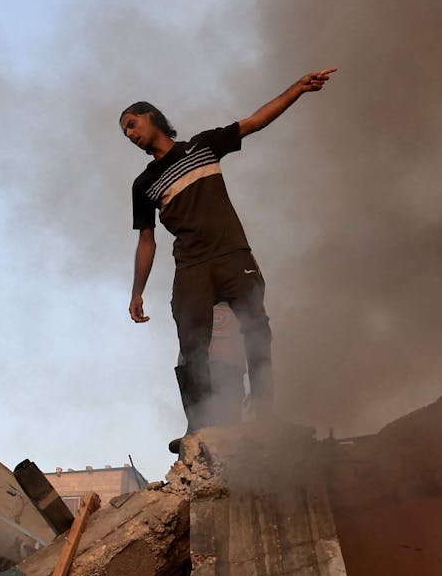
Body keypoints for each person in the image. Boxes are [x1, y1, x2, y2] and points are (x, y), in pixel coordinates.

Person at [120, 68, 336, 452]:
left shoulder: (203, 146)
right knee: (192, 344)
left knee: (256, 329)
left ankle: (265, 416)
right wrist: (137, 292)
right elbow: (147, 240)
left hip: (234, 255)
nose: (130, 135)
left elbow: (255, 120)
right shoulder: (144, 184)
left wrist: (298, 89)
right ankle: (199, 427)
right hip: (192, 267)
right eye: (126, 133)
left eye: (132, 124)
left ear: (151, 117)